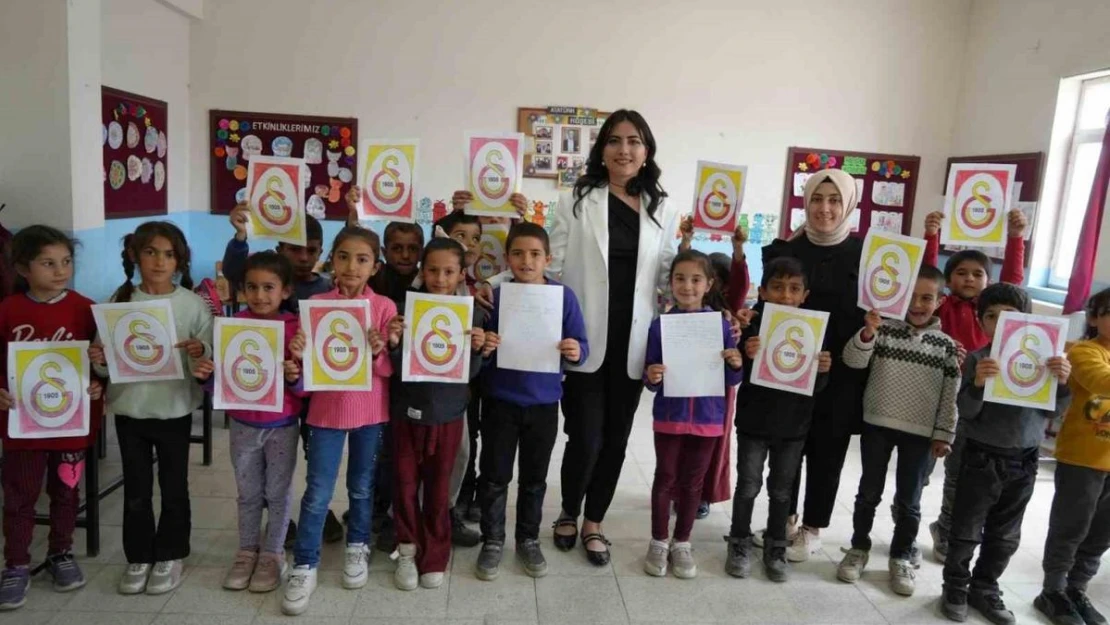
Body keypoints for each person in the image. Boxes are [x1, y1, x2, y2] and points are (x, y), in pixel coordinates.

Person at [482, 110, 680, 567]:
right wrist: (494, 286)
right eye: (614, 141)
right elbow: (546, 263)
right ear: (602, 150)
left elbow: (668, 272)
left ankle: (594, 522)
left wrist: (708, 305)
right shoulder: (579, 197)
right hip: (581, 338)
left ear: (646, 150)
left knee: (616, 438)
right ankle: (568, 512)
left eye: (633, 141)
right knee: (585, 436)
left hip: (631, 343)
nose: (624, 150)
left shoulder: (663, 207)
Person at [734, 170, 866, 563]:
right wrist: (748, 322)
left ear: (848, 205)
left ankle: (812, 528)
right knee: (788, 444)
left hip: (838, 368)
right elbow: (767, 303)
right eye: (816, 199)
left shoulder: (864, 255)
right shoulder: (785, 250)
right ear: (805, 202)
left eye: (834, 200)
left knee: (827, 450)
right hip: (785, 367)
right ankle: (784, 521)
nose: (825, 208)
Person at [89, 222, 214, 596]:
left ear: (180, 259)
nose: (160, 261)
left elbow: (207, 355)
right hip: (129, 412)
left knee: (174, 487)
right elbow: (104, 364)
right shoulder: (119, 303)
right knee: (137, 490)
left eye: (169, 254)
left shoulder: (191, 304)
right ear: (134, 255)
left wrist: (199, 353)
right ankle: (139, 555)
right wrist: (98, 360)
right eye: (151, 252)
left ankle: (171, 553)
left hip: (174, 410)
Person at [940, 284, 1071, 623]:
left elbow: (1053, 411)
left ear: (1026, 321)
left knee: (1005, 535)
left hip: (1024, 460)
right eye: (991, 317)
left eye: (1008, 317)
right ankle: (955, 585)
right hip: (981, 457)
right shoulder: (979, 360)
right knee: (966, 529)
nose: (999, 324)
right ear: (981, 322)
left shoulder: (1043, 361)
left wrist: (1063, 382)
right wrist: (978, 386)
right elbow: (966, 411)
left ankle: (985, 587)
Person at [281, 227, 395, 615]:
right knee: (317, 491)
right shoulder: (315, 303)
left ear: (374, 267)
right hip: (326, 412)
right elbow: (303, 369)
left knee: (362, 486)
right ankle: (305, 563)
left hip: (371, 412)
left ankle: (357, 545)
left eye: (362, 259)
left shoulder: (383, 307)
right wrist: (298, 352)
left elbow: (388, 371)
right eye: (344, 257)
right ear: (332, 259)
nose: (351, 267)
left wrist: (379, 351)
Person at [835, 265, 959, 597]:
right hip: (878, 423)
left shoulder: (947, 347)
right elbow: (853, 361)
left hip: (920, 433)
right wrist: (867, 333)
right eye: (912, 296)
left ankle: (902, 554)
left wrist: (944, 433)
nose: (917, 304)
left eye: (927, 298)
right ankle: (858, 546)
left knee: (910, 500)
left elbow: (950, 393)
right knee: (868, 493)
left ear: (940, 301)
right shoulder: (884, 330)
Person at [226, 200, 344, 546]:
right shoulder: (269, 282)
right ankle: (280, 523)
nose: (304, 257)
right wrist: (240, 237)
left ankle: (316, 513)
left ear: (322, 252)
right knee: (268, 472)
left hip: (315, 392)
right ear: (281, 248)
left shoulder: (325, 288)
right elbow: (237, 271)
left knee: (313, 459)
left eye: (311, 250)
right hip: (275, 400)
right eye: (295, 249)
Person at [476, 222, 588, 580]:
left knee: (535, 477)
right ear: (507, 258)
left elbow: (581, 346)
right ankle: (492, 540)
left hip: (543, 404)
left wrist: (574, 351)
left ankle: (527, 538)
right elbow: (480, 350)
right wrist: (487, 346)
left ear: (548, 259)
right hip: (499, 401)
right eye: (519, 253)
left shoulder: (563, 297)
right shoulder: (494, 295)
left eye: (535, 254)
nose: (527, 260)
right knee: (494, 475)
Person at [0, 226, 105, 610]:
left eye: (66, 262)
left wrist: (98, 385)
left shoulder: (85, 309)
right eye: (48, 263)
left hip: (70, 429)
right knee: (19, 495)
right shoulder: (8, 311)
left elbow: (102, 361)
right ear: (23, 268)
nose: (61, 270)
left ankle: (61, 552)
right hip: (22, 429)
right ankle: (15, 564)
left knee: (66, 492)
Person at [191, 252, 305, 593]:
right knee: (248, 492)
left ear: (285, 290)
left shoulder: (296, 330)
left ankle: (272, 554)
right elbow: (224, 380)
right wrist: (206, 377)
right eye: (252, 287)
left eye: (268, 287)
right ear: (241, 290)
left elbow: (306, 388)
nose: (259, 295)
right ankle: (246, 551)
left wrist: (295, 376)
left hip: (282, 425)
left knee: (278, 492)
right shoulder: (232, 325)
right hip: (242, 424)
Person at [922, 208, 1028, 563]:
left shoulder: (996, 314)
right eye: (961, 273)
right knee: (928, 469)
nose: (969, 279)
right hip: (936, 394)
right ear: (949, 280)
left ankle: (948, 528)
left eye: (978, 274)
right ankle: (923, 511)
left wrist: (1016, 238)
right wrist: (931, 235)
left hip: (972, 403)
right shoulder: (945, 306)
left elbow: (1012, 284)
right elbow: (927, 274)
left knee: (957, 477)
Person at [386, 238, 487, 591]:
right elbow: (395, 368)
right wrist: (395, 343)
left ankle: (436, 553)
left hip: (448, 414)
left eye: (448, 271)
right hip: (406, 413)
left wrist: (477, 350)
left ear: (461, 274)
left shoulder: (472, 314)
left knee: (440, 488)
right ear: (421, 271)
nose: (440, 279)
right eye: (432, 270)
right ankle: (407, 548)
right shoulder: (404, 310)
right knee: (405, 483)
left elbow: (471, 373)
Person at [725, 257, 831, 583]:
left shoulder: (814, 332)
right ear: (763, 291)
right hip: (754, 423)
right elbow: (735, 372)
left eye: (794, 289)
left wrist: (823, 370)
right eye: (778, 287)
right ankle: (739, 541)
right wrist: (746, 351)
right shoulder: (753, 326)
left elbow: (816, 385)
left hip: (794, 427)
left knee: (782, 492)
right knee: (747, 486)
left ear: (804, 295)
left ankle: (776, 545)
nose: (786, 295)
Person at [642, 250, 742, 579]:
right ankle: (658, 540)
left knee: (693, 483)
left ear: (709, 284)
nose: (687, 286)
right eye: (680, 279)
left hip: (708, 420)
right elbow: (651, 376)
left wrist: (736, 363)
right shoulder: (660, 326)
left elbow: (731, 379)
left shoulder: (721, 326)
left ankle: (681, 542)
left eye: (696, 279)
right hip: (670, 416)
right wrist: (652, 375)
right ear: (670, 283)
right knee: (665, 478)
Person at [347, 185, 429, 553]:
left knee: (405, 453)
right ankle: (376, 511)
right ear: (383, 253)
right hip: (379, 383)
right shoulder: (376, 281)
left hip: (417, 380)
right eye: (397, 247)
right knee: (381, 452)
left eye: (413, 248)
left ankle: (404, 512)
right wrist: (352, 214)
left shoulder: (428, 283)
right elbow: (351, 257)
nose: (405, 254)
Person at [448, 192, 530, 528]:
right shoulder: (444, 279)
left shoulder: (490, 285)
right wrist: (457, 210)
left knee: (486, 429)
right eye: (461, 237)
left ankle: (479, 494)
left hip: (490, 365)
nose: (470, 245)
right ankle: (463, 494)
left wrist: (520, 219)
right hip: (457, 371)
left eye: (476, 239)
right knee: (466, 431)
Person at [1034, 287, 1110, 625]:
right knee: (1071, 528)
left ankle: (1076, 589)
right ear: (1094, 318)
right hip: (1083, 459)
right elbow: (1101, 381)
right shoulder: (1083, 351)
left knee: (1101, 532)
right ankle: (1052, 591)